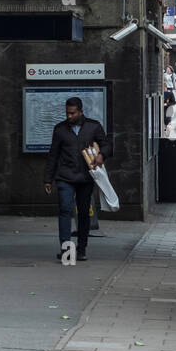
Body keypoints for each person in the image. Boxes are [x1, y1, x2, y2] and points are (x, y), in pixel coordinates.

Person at [44, 97, 112, 262]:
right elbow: (53, 155)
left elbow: (107, 145)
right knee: (65, 210)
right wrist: (48, 179)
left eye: (72, 113)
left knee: (83, 212)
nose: (69, 116)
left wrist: (102, 155)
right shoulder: (59, 129)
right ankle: (67, 250)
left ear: (81, 112)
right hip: (64, 176)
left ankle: (81, 249)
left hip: (85, 177)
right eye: (67, 113)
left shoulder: (93, 127)